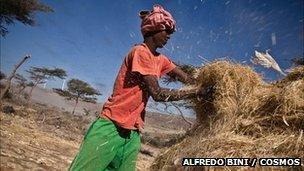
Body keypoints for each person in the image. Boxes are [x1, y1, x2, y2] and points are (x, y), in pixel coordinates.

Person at [69, 4, 202, 171]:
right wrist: (196, 92)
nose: (169, 36)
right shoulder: (141, 52)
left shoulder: (161, 60)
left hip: (132, 133)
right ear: (154, 29)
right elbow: (158, 94)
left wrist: (204, 83)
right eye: (166, 31)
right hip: (110, 127)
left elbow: (185, 77)